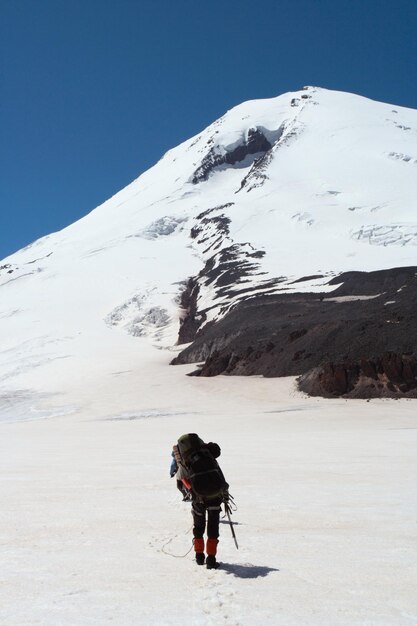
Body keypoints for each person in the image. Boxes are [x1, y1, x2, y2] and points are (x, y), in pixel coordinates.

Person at [170, 433, 228, 569]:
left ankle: (199, 557)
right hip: (215, 495)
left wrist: (191, 491)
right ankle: (211, 559)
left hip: (198, 497)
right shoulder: (208, 453)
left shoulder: (185, 461)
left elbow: (182, 479)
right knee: (213, 527)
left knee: (199, 526)